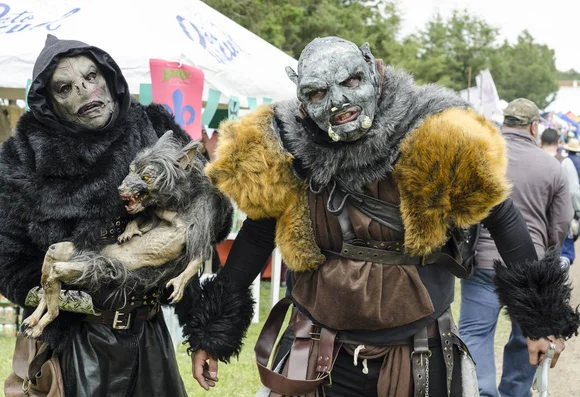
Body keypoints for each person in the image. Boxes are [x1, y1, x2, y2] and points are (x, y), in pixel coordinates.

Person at [179, 38, 579, 397]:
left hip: (419, 351)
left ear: (373, 70)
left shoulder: (434, 131)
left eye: (350, 83)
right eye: (318, 92)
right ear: (302, 102)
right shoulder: (286, 145)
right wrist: (212, 333)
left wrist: (540, 320)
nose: (337, 102)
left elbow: (504, 219)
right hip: (316, 346)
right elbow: (257, 234)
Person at [0, 34, 236, 396]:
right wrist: (88, 287)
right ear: (48, 101)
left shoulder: (153, 126)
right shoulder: (25, 155)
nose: (85, 92)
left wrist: (202, 335)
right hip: (77, 345)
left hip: (151, 338)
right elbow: (6, 265)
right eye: (65, 87)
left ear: (109, 76)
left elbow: (206, 219)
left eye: (91, 77)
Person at [459, 100, 573, 397]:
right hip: (530, 266)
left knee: (476, 333)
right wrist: (548, 264)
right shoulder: (553, 166)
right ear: (534, 127)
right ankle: (514, 393)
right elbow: (560, 224)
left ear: (503, 123)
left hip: (482, 264)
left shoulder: (483, 157)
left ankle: (480, 391)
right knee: (526, 336)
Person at [541, 127, 580, 267]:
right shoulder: (565, 162)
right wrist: (577, 212)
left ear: (541, 141)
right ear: (558, 142)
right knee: (564, 254)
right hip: (559, 217)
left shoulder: (533, 159)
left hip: (536, 218)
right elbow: (574, 192)